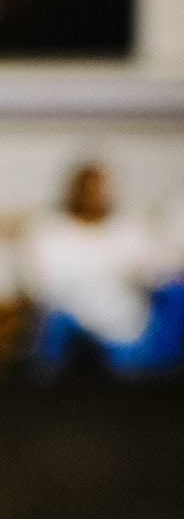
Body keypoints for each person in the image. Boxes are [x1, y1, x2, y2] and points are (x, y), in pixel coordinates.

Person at [20, 161, 184, 378]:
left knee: (176, 294)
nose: (94, 194)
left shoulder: (127, 232)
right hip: (70, 323)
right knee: (61, 326)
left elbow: (159, 273)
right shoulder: (50, 233)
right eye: (87, 188)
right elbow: (37, 288)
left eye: (100, 188)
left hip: (123, 329)